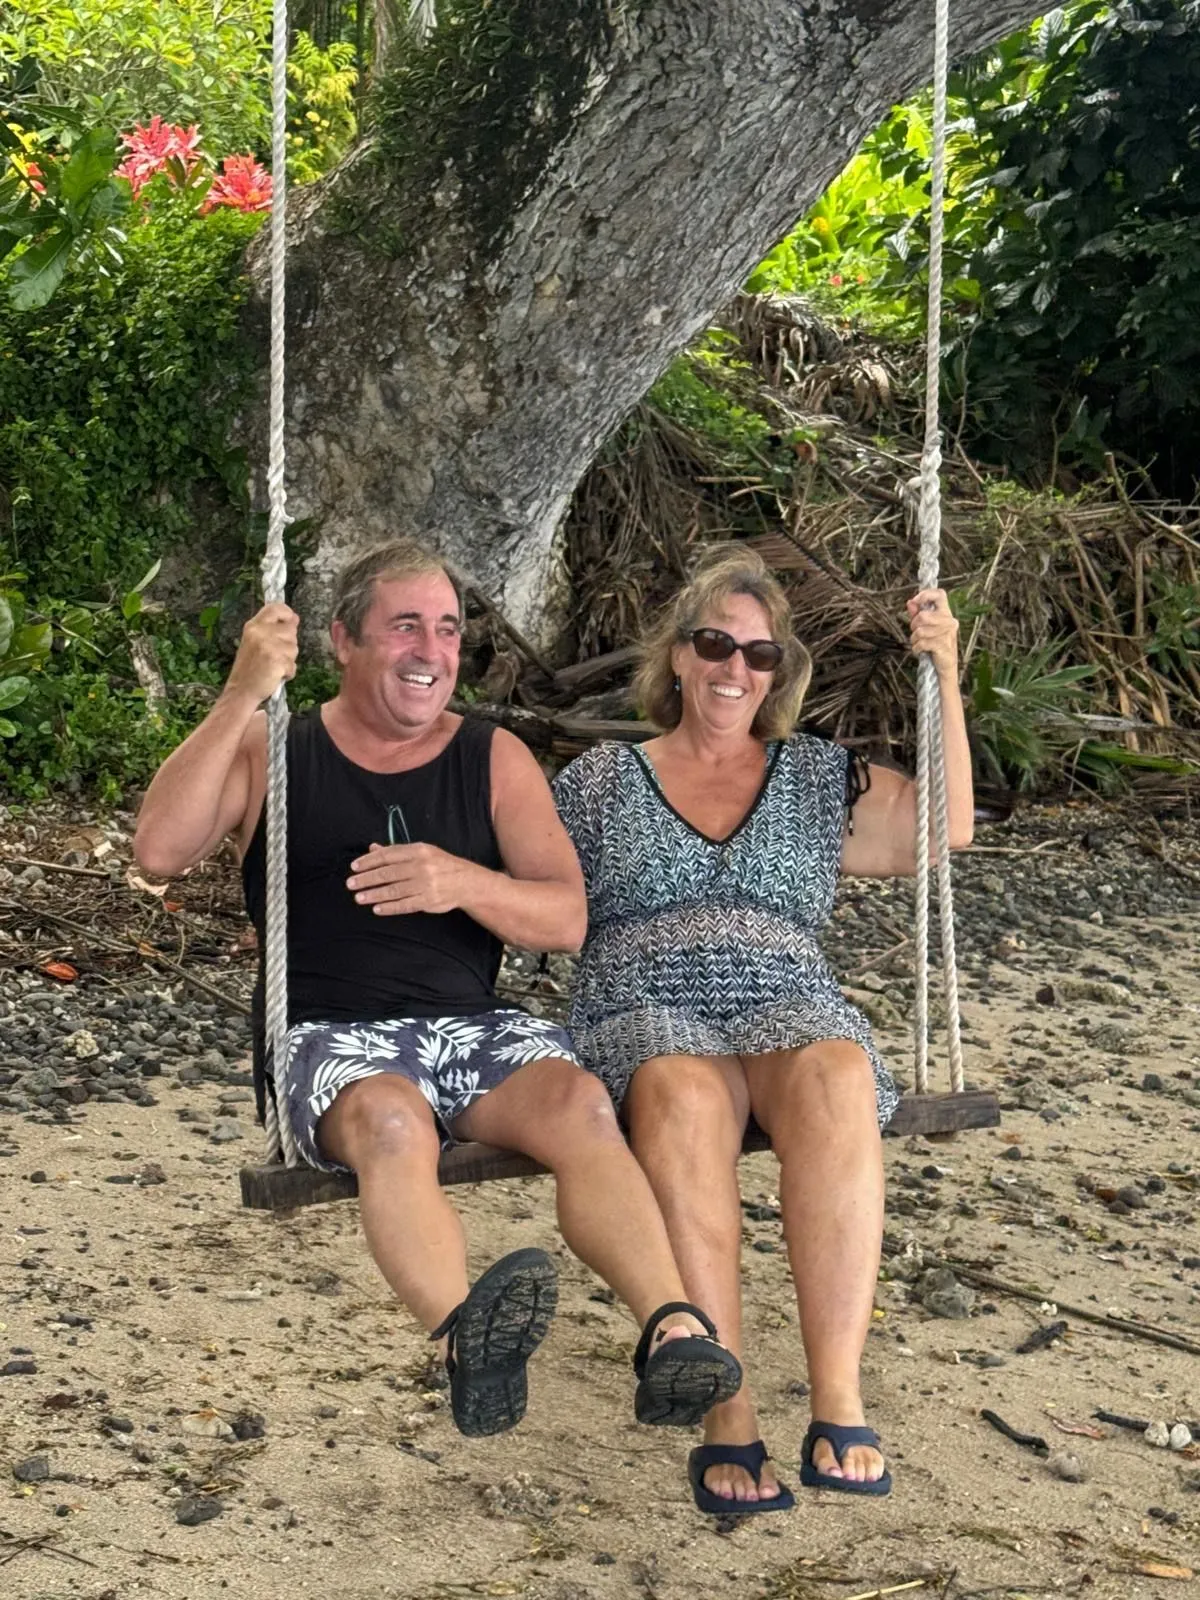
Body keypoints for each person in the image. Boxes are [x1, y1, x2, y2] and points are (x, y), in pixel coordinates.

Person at [134, 537, 742, 1439]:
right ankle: (470, 1345)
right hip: (330, 1036)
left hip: (472, 1029)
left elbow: (566, 916)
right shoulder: (276, 750)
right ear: (343, 641)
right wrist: (241, 693)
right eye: (406, 626)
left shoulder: (490, 758)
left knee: (579, 1102)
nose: (432, 651)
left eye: (449, 630)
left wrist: (462, 883)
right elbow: (158, 851)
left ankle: (671, 1327)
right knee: (391, 1123)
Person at [552, 543, 974, 1511]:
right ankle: (728, 1407)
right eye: (715, 645)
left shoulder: (821, 779)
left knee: (835, 1073)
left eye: (759, 656)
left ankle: (838, 1397)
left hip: (783, 993)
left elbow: (945, 828)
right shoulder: (601, 781)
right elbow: (524, 876)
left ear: (781, 672)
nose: (735, 670)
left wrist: (944, 668)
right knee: (681, 1089)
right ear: (679, 656)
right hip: (643, 999)